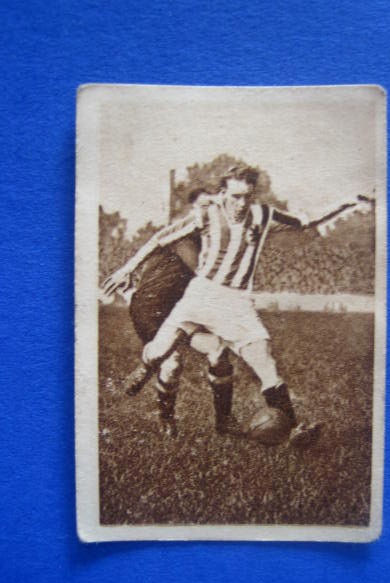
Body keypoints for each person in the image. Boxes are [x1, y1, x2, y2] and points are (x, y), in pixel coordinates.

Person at [105, 164, 368, 446]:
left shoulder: (263, 215)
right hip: (200, 296)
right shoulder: (206, 214)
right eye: (235, 196)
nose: (241, 203)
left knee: (265, 362)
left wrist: (347, 202)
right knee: (159, 354)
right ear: (222, 194)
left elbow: (305, 220)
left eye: (247, 196)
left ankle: (293, 429)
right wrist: (126, 269)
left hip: (237, 302)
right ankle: (146, 366)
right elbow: (159, 239)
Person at [102, 188, 234, 437]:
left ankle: (224, 422)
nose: (210, 212)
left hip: (183, 309)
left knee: (218, 350)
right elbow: (204, 271)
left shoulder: (214, 239)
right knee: (172, 364)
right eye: (204, 206)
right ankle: (166, 419)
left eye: (213, 206)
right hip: (152, 308)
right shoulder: (185, 236)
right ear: (192, 210)